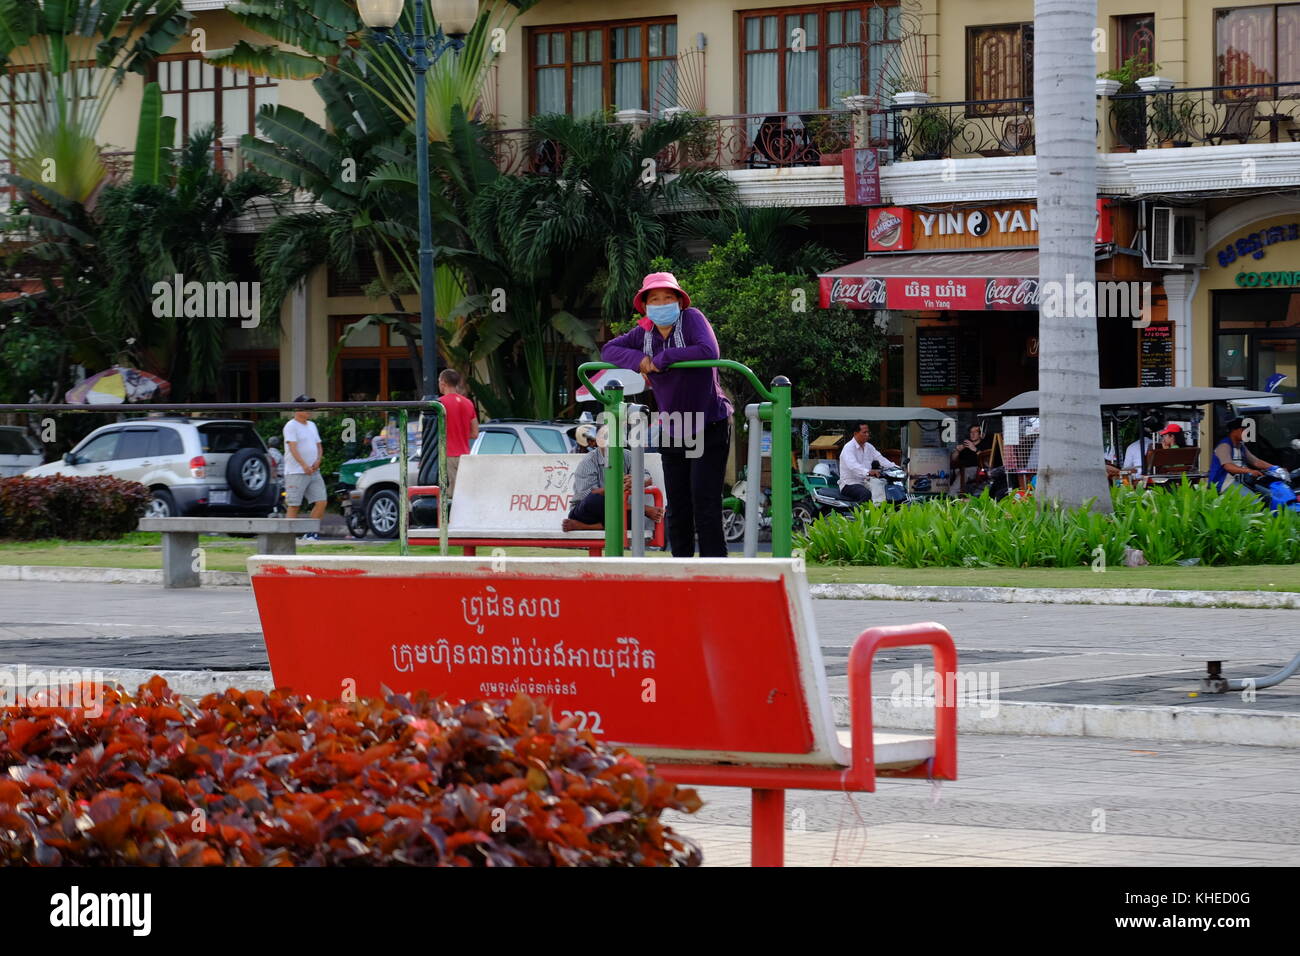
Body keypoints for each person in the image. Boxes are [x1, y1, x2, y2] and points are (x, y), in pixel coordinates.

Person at [601, 272, 732, 557]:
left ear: (679, 301)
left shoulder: (692, 318)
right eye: (655, 299)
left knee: (704, 502)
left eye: (668, 297)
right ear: (646, 305)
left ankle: (716, 571)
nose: (662, 303)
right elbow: (609, 350)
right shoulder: (644, 332)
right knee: (678, 502)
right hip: (673, 426)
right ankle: (680, 567)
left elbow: (708, 349)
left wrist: (664, 358)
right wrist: (640, 360)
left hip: (708, 422)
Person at [562, 425, 663, 532]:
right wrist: (619, 487)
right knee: (595, 499)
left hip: (616, 511)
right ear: (597, 440)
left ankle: (582, 526)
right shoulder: (589, 461)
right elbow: (587, 497)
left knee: (632, 520)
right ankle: (640, 509)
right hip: (587, 512)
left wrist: (637, 480)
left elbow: (647, 477)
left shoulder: (627, 455)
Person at [283, 395, 326, 539]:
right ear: (296, 408)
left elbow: (319, 445)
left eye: (310, 406)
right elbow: (293, 448)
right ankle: (288, 537)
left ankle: (310, 534)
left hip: (314, 471)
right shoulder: (291, 426)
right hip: (296, 472)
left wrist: (318, 460)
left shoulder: (312, 425)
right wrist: (303, 465)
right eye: (305, 406)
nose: (309, 410)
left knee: (321, 502)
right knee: (294, 505)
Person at [438, 369, 478, 497]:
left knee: (449, 497)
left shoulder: (438, 404)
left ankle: (450, 518)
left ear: (443, 383)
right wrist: (460, 434)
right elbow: (475, 433)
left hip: (446, 456)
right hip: (464, 457)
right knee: (463, 496)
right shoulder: (468, 403)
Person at [1208, 417, 1276, 491]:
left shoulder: (1241, 446)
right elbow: (1228, 466)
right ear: (1234, 430)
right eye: (1243, 430)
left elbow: (1256, 462)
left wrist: (1275, 468)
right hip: (1223, 483)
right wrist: (1249, 471)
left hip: (1240, 481)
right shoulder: (1224, 446)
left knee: (1268, 495)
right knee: (1254, 501)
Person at [839, 421, 898, 503]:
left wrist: (896, 468)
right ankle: (861, 515)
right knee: (866, 494)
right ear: (855, 433)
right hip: (849, 484)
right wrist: (868, 472)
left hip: (866, 482)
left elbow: (881, 459)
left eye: (868, 432)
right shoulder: (848, 448)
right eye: (864, 432)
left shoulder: (869, 447)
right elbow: (853, 466)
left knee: (885, 488)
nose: (867, 435)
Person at [950, 424, 991, 493]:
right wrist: (957, 451)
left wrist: (975, 449)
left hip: (978, 470)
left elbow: (988, 462)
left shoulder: (985, 445)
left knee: (965, 472)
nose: (972, 434)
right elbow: (953, 460)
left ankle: (952, 493)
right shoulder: (966, 445)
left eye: (975, 432)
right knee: (947, 472)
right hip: (960, 469)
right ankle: (938, 493)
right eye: (971, 432)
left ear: (981, 435)